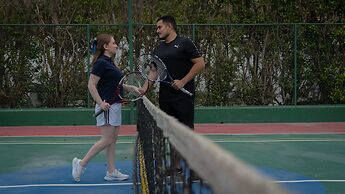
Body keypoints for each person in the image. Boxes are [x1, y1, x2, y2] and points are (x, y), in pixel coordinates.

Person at [153, 15, 205, 179]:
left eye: (159, 27)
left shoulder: (185, 43)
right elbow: (153, 72)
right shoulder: (158, 49)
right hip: (165, 99)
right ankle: (176, 168)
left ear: (169, 26)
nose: (157, 30)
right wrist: (143, 89)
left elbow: (200, 63)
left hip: (183, 99)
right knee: (172, 134)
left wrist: (183, 81)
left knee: (187, 134)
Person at [72, 34, 129, 182]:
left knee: (112, 140)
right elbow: (91, 84)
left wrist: (133, 89)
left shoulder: (110, 62)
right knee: (106, 139)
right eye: (114, 43)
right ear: (106, 46)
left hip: (115, 104)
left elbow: (116, 84)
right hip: (107, 106)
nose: (116, 45)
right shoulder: (101, 63)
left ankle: (111, 171)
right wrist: (101, 103)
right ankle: (81, 163)